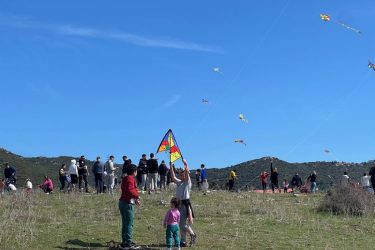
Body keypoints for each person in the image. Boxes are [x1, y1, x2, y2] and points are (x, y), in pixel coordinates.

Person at [170, 160, 197, 247]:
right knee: (180, 224)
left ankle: (193, 234)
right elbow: (173, 176)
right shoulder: (179, 182)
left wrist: (186, 164)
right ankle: (183, 241)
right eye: (180, 175)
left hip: (185, 204)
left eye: (183, 175)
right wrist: (171, 166)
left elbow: (187, 174)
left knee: (182, 223)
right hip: (178, 204)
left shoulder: (187, 182)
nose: (181, 176)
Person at [119, 164, 140, 250]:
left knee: (125, 222)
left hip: (123, 202)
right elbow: (130, 190)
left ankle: (125, 241)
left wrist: (135, 199)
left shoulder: (125, 178)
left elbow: (126, 191)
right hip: (127, 203)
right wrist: (137, 196)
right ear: (134, 171)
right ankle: (128, 242)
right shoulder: (130, 179)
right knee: (129, 223)